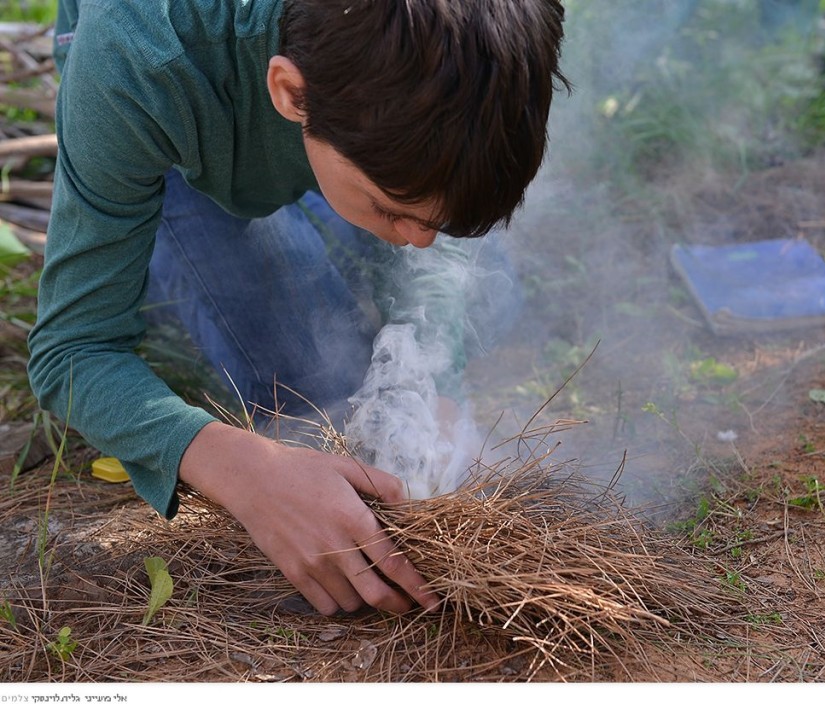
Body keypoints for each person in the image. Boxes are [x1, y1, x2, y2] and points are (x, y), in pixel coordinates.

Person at [27, 0, 567, 616]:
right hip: (188, 119)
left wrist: (433, 371)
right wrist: (248, 471)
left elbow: (432, 244)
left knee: (488, 299)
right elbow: (72, 351)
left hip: (328, 113)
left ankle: (337, 200)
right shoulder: (141, 63)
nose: (421, 240)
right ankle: (201, 207)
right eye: (394, 210)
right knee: (312, 388)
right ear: (289, 92)